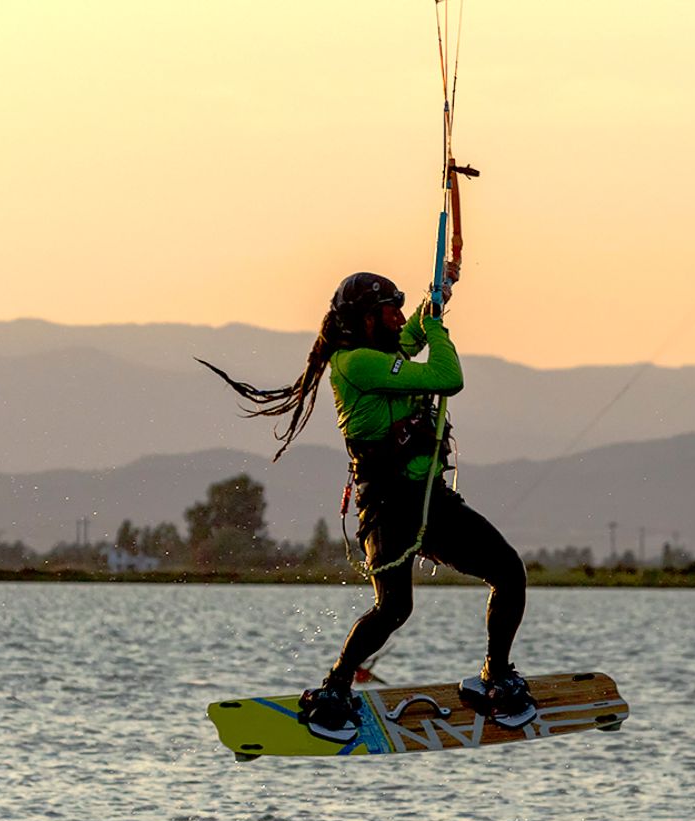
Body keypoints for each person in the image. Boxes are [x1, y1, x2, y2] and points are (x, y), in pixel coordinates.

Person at [200, 268, 532, 742]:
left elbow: (414, 331)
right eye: (389, 311)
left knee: (509, 572)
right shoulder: (356, 363)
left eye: (400, 309)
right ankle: (335, 688)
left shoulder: (383, 349)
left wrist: (436, 296)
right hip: (387, 507)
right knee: (394, 607)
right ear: (366, 320)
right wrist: (436, 328)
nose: (400, 319)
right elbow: (447, 376)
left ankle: (495, 677)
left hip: (430, 502)